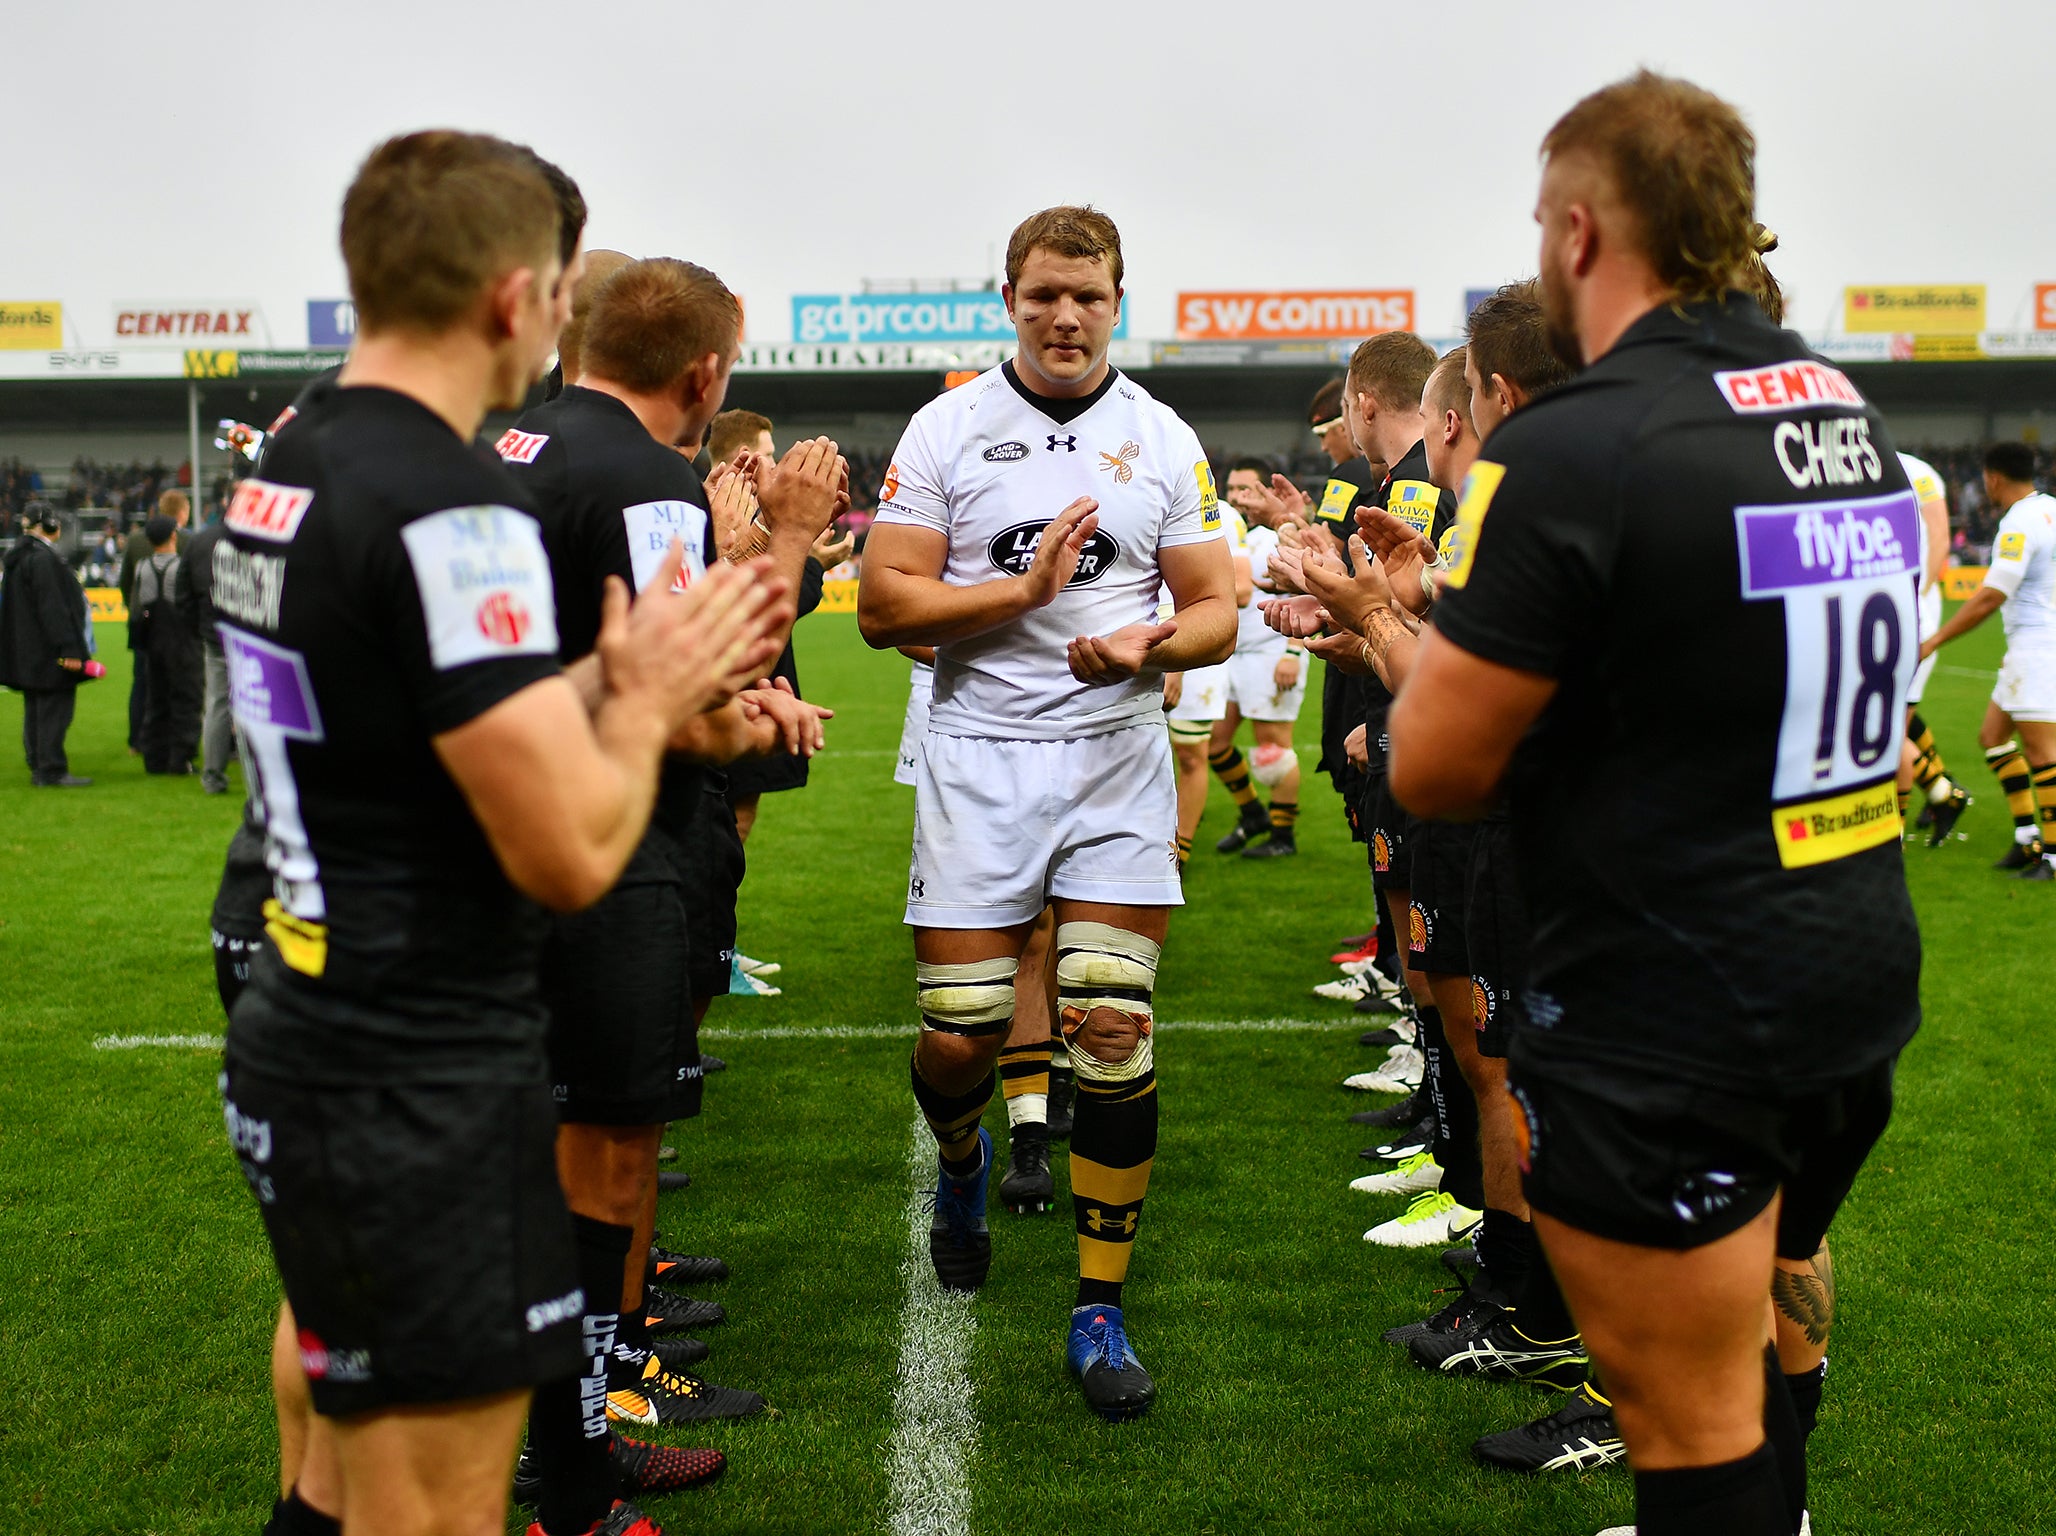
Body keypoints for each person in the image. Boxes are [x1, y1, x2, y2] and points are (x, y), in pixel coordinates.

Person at [214, 130, 786, 1536]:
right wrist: (648, 706)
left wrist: (600, 676)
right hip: (419, 1065)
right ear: (517, 296)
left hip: (311, 1017)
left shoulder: (292, 459)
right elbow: (568, 855)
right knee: (437, 1508)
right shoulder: (445, 503)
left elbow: (403, 719)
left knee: (335, 1469)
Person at [1391, 72, 1921, 1536]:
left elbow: (1431, 764)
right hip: (1848, 964)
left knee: (1691, 1436)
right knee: (1745, 1382)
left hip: (1672, 995)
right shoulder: (1839, 404)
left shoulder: (1572, 441)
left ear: (1576, 232)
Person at [857, 204, 1235, 1420]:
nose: (1065, 317)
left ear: (1119, 299)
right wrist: (1019, 591)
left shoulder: (1162, 435)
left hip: (1113, 759)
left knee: (1112, 1030)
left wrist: (1146, 644)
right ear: (1008, 301)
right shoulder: (948, 424)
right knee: (965, 1032)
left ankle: (1099, 1309)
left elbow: (1216, 609)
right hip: (977, 758)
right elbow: (882, 605)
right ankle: (962, 1162)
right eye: (1042, 297)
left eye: (1088, 295)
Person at [496, 255, 840, 1532]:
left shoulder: (506, 443)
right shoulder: (643, 479)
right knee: (603, 1158)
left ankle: (542, 1441)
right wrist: (787, 576)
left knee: (531, 1152)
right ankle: (580, 1466)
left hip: (499, 838)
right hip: (612, 844)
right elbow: (682, 686)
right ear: (705, 373)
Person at [1919, 442, 2056, 877]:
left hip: (2037, 647)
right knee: (1992, 736)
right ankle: (2026, 838)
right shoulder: (2051, 508)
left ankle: (2052, 857)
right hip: (2032, 648)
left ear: (1993, 478)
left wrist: (1935, 638)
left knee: (2043, 754)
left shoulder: (2017, 525)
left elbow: (1991, 596)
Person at [1212, 456, 1308, 859]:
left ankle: (1282, 836)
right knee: (1215, 742)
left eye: (1245, 490)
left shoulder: (1279, 535)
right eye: (1231, 489)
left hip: (1273, 650)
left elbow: (1308, 590)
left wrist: (1292, 651)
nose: (1236, 497)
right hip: (1233, 654)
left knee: (1273, 748)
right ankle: (1252, 813)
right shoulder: (1229, 530)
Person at [1163, 494, 1251, 868]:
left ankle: (1178, 855)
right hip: (1128, 641)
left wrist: (1177, 662)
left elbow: (1241, 590)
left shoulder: (1220, 515)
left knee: (1190, 753)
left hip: (1192, 647)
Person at [0, 499, 94, 786]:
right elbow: (53, 609)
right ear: (48, 525)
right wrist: (68, 648)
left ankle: (39, 764)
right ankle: (51, 769)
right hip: (48, 650)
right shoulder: (43, 560)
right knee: (55, 708)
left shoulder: (18, 558)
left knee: (36, 708)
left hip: (27, 649)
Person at [131, 510, 204, 774]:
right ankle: (180, 759)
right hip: (182, 641)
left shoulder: (142, 567)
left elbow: (138, 605)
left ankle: (154, 758)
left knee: (156, 700)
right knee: (186, 700)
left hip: (153, 641)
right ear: (173, 535)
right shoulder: (182, 566)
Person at [119, 489, 189, 755]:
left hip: (143, 622)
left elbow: (125, 581)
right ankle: (175, 739)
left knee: (141, 681)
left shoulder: (136, 540)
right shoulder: (186, 541)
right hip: (176, 624)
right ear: (183, 511)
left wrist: (134, 608)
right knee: (178, 683)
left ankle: (137, 741)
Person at [181, 496, 236, 792]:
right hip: (255, 633)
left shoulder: (200, 541)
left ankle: (213, 775)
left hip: (214, 633)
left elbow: (183, 591)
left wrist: (198, 629)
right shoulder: (262, 538)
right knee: (261, 704)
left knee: (216, 703)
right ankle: (265, 778)